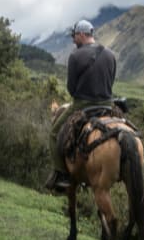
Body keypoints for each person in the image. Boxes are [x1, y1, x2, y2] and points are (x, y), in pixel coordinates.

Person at [45, 19, 117, 191]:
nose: (73, 40)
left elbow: (71, 89)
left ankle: (62, 175)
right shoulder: (110, 54)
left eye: (75, 35)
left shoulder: (75, 56)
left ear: (83, 35)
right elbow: (111, 81)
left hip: (83, 104)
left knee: (54, 134)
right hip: (108, 104)